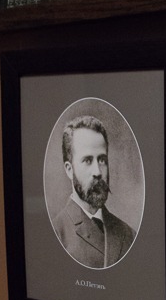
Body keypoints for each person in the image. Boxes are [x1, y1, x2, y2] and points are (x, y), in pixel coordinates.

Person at [52, 115, 135, 268]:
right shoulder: (56, 233)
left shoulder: (128, 234)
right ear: (69, 169)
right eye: (87, 161)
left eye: (102, 160)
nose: (97, 172)